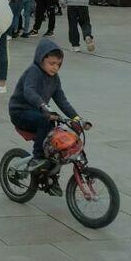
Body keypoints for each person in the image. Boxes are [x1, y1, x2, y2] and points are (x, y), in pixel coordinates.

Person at [8, 38, 83, 193]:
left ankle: (50, 180)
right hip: (20, 112)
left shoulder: (54, 78)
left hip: (39, 113)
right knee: (45, 121)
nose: (55, 67)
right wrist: (43, 105)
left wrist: (76, 118)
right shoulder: (33, 71)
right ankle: (37, 157)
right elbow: (29, 91)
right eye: (52, 63)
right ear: (41, 59)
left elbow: (62, 100)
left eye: (58, 64)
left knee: (59, 142)